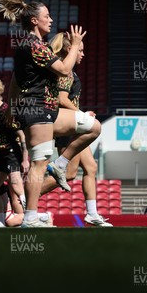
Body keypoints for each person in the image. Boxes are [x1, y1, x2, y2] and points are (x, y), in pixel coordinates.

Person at [0, 0, 101, 227]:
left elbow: (13, 81)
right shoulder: (32, 45)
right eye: (47, 16)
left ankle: (60, 165)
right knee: (39, 163)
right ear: (34, 21)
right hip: (38, 109)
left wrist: (10, 107)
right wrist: (73, 46)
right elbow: (63, 69)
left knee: (93, 126)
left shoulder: (31, 46)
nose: (51, 20)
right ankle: (30, 218)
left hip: (47, 110)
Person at [39, 33, 111, 226]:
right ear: (68, 50)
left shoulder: (71, 71)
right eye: (80, 50)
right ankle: (27, 197)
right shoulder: (66, 71)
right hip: (67, 129)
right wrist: (82, 115)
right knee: (69, 173)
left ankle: (92, 214)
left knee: (91, 167)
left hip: (74, 128)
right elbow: (62, 100)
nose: (83, 54)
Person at [0, 79, 31, 227]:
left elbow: (22, 136)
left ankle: (31, 215)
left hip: (11, 153)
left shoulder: (7, 112)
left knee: (16, 185)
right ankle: (1, 222)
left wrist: (25, 160)